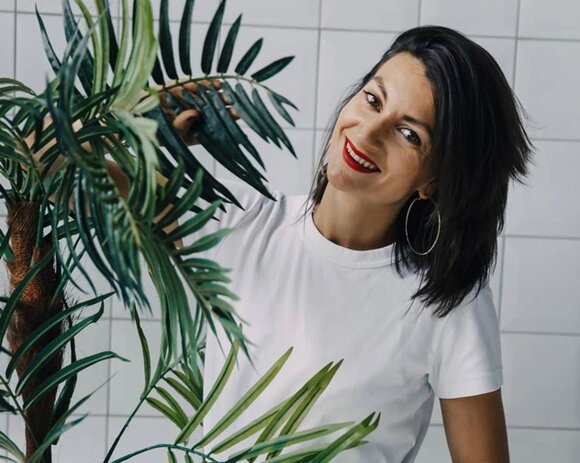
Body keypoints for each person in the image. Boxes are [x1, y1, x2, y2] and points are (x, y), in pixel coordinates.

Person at [179, 25, 533, 462]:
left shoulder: (447, 300)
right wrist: (142, 121)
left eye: (409, 134)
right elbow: (91, 180)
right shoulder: (238, 219)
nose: (367, 133)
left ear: (435, 182)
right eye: (373, 100)